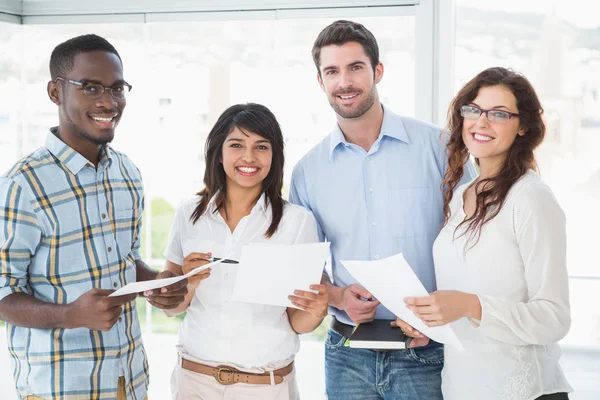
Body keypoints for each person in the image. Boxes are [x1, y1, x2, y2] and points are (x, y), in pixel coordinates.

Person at [289, 20, 477, 400]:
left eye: (355, 67)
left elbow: (473, 244)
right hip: (347, 355)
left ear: (377, 71)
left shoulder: (440, 149)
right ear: (320, 81)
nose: (345, 82)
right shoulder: (307, 171)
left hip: (426, 349)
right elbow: (302, 268)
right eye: (332, 71)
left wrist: (440, 319)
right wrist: (340, 298)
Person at [0, 34, 189, 400]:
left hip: (129, 381)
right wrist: (69, 315)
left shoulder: (127, 172)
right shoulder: (23, 184)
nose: (108, 101)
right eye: (90, 87)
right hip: (60, 389)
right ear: (56, 92)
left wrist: (154, 284)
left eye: (118, 88)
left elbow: (124, 260)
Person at [400, 67, 573, 400]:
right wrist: (431, 324)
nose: (480, 122)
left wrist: (470, 305)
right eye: (473, 110)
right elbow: (467, 300)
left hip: (524, 392)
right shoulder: (459, 194)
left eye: (498, 114)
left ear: (523, 127)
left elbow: (555, 318)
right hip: (462, 388)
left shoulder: (531, 199)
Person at [161, 103, 328, 400]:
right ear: (219, 152)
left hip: (266, 386)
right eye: (236, 144)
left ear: (274, 155)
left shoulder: (297, 222)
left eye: (261, 146)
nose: (249, 157)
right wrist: (186, 282)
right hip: (194, 383)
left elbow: (298, 322)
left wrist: (316, 312)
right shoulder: (188, 215)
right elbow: (172, 307)